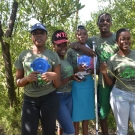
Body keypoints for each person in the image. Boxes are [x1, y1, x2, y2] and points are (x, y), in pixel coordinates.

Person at [70, 13, 118, 135]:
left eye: (108, 20)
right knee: (103, 112)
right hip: (103, 80)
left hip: (118, 80)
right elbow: (73, 44)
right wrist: (86, 50)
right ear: (98, 24)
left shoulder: (117, 38)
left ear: (111, 23)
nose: (105, 22)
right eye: (102, 20)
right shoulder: (93, 40)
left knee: (120, 109)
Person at [15, 23, 61, 135]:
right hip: (29, 101)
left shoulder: (53, 55)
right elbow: (18, 82)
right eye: (35, 33)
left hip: (49, 99)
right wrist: (27, 79)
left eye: (42, 33)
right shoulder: (24, 55)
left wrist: (53, 76)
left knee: (49, 132)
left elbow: (58, 84)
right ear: (31, 36)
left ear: (46, 36)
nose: (38, 36)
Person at [100, 28, 135, 134]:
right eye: (122, 39)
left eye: (128, 39)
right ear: (117, 41)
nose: (126, 41)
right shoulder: (112, 60)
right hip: (120, 96)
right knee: (123, 129)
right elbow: (110, 83)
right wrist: (104, 73)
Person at [67, 25, 95, 135]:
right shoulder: (71, 51)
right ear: (76, 36)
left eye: (84, 34)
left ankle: (85, 133)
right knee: (76, 113)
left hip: (88, 82)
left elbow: (95, 67)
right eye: (79, 34)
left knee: (86, 112)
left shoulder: (91, 49)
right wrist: (77, 69)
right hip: (77, 82)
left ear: (87, 35)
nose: (82, 36)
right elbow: (67, 69)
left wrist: (92, 69)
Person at [52, 30, 79, 135]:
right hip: (59, 98)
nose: (63, 47)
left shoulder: (65, 60)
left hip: (68, 96)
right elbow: (55, 84)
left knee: (64, 128)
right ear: (53, 45)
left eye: (65, 44)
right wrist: (70, 78)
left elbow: (68, 74)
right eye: (59, 45)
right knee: (70, 131)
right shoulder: (54, 60)